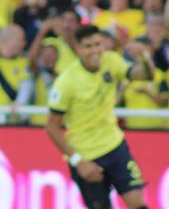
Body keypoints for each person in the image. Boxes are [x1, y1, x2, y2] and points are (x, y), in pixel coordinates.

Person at [45, 25, 154, 208]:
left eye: (98, 44)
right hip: (87, 156)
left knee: (139, 204)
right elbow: (51, 127)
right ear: (78, 49)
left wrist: (144, 57)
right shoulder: (66, 82)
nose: (95, 50)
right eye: (88, 46)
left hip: (115, 147)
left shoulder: (111, 61)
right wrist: (78, 161)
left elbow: (144, 75)